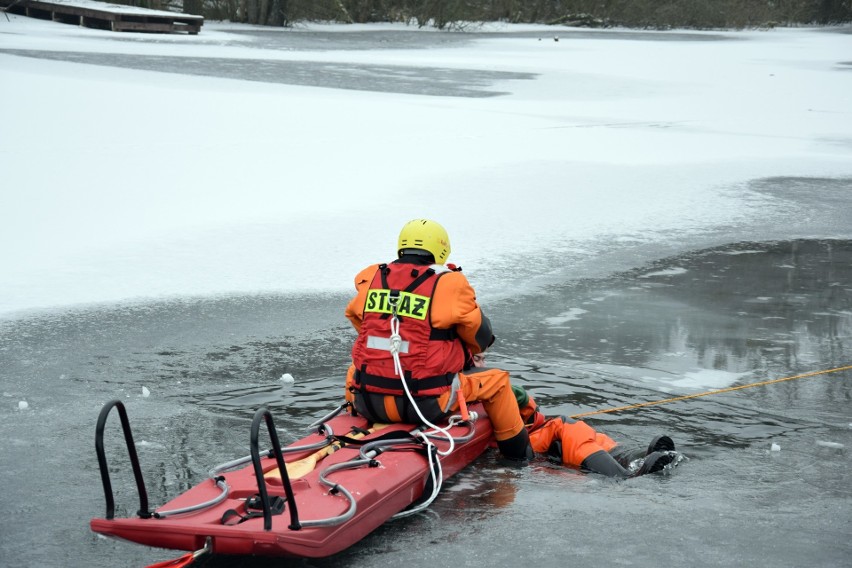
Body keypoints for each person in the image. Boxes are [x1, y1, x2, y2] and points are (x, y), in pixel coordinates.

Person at [344, 219, 532, 463]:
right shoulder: (449, 283)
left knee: (354, 368)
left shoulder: (372, 277)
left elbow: (360, 322)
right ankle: (518, 459)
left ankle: (349, 420)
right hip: (426, 405)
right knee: (498, 381)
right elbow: (479, 338)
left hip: (367, 401)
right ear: (442, 249)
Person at [514, 383, 677, 477]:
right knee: (567, 434)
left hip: (532, 432)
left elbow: (517, 396)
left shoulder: (497, 385)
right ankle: (632, 460)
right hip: (535, 440)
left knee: (566, 427)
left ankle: (629, 467)